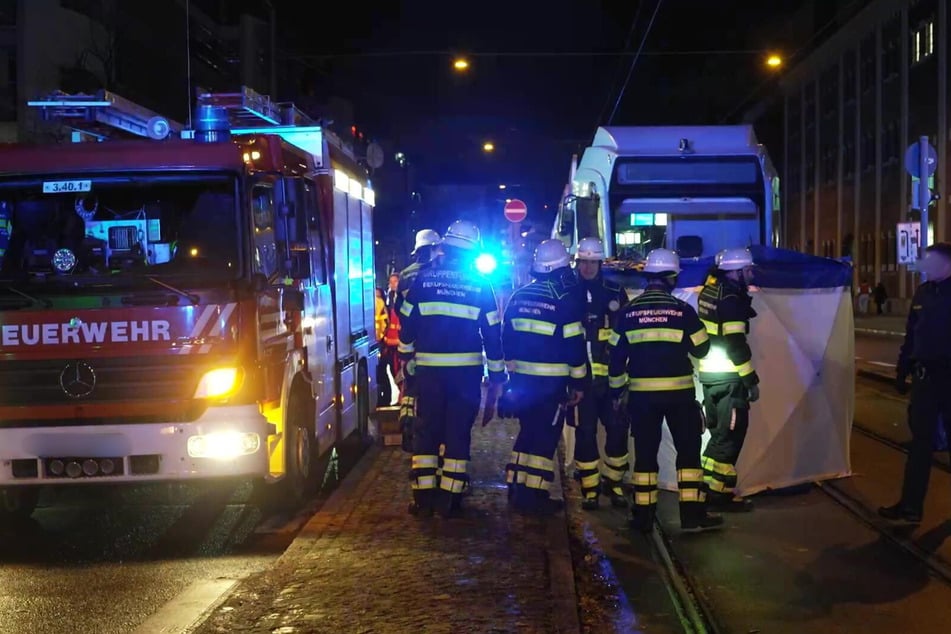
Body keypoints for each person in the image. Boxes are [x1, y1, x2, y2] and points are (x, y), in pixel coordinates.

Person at [608, 248, 722, 532]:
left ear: (648, 278)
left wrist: (617, 393)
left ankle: (643, 517)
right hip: (679, 396)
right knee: (688, 454)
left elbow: (614, 358)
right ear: (671, 277)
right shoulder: (683, 311)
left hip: (642, 398)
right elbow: (703, 348)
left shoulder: (628, 313)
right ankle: (692, 515)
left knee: (645, 455)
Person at [398, 220, 506, 518]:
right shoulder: (480, 286)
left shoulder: (422, 281)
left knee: (427, 431)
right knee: (458, 433)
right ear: (471, 253)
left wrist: (407, 364)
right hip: (465, 376)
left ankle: (423, 498)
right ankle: (450, 500)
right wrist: (497, 379)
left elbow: (407, 329)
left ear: (445, 247)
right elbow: (493, 335)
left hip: (429, 374)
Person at [500, 239, 587, 515]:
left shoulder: (518, 296)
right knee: (544, 439)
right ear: (560, 269)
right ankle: (533, 497)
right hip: (552, 385)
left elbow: (507, 339)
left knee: (527, 432)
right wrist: (579, 383)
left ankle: (516, 485)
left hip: (523, 383)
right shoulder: (565, 301)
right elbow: (574, 348)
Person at [879, 243, 951, 523]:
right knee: (919, 444)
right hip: (925, 380)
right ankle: (910, 507)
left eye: (930, 262)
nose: (924, 267)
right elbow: (912, 334)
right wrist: (902, 368)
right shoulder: (923, 292)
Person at [696, 247, 759, 512]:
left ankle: (710, 488)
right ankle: (720, 496)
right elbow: (736, 344)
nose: (751, 273)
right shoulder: (731, 298)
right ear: (736, 271)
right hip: (730, 378)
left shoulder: (709, 291)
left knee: (719, 434)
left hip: (710, 376)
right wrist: (750, 379)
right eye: (748, 269)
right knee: (731, 435)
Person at [571, 237, 629, 510]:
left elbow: (626, 334)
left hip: (612, 378)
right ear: (577, 262)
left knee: (617, 429)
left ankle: (614, 482)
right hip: (581, 380)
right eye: (583, 261)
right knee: (585, 433)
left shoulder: (615, 291)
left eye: (592, 262)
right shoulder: (568, 290)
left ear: (600, 263)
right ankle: (589, 489)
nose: (587, 267)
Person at [395, 229, 442, 453]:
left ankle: (406, 418)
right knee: (430, 389)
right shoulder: (435, 274)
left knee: (410, 382)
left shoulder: (405, 274)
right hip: (430, 339)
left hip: (409, 337)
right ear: (434, 248)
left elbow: (398, 308)